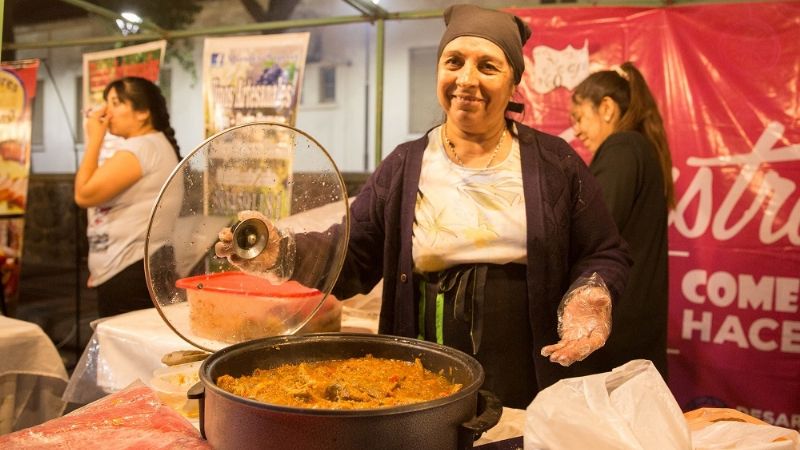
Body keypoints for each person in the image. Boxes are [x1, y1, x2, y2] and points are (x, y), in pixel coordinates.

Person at [216, 4, 631, 409]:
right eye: (454, 62)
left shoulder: (555, 163)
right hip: (420, 367)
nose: (466, 79)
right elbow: (352, 255)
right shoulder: (405, 164)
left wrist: (591, 294)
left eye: (488, 67)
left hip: (526, 369)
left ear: (513, 84)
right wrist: (280, 251)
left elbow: (603, 251)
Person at [570, 62, 674, 379]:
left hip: (615, 331)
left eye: (579, 117)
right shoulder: (641, 149)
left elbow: (591, 229)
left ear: (606, 108)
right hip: (634, 329)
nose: (576, 130)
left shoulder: (622, 147)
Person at [74, 76, 180, 318]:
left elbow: (84, 194)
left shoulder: (141, 148)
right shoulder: (149, 145)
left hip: (130, 271)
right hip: (129, 268)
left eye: (115, 103)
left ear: (142, 112)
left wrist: (94, 139)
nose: (106, 112)